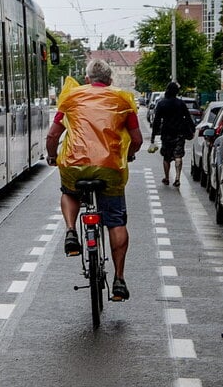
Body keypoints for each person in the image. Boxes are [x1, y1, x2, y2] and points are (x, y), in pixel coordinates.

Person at [45, 59, 143, 301]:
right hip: (109, 167)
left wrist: (51, 155)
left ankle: (70, 230)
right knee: (116, 222)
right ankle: (119, 280)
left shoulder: (71, 98)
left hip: (75, 165)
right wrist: (129, 154)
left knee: (69, 192)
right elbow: (137, 139)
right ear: (110, 81)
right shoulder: (123, 100)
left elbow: (53, 134)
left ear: (87, 79)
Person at [150, 81, 195, 187]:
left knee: (166, 156)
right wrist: (192, 130)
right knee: (178, 155)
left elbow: (156, 121)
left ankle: (166, 177)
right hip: (179, 133)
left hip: (166, 133)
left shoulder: (161, 104)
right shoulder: (181, 103)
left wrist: (153, 136)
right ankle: (177, 178)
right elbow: (188, 117)